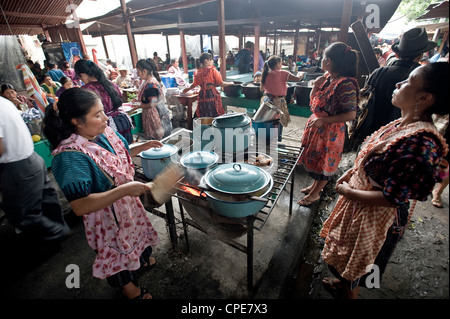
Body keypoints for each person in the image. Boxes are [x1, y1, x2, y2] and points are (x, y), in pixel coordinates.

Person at [320, 62, 449, 299]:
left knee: (360, 265)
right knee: (348, 261)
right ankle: (344, 286)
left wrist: (348, 192)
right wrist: (351, 176)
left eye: (408, 81)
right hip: (361, 208)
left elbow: (393, 198)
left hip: (375, 217)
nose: (398, 84)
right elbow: (372, 162)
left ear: (424, 97)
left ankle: (350, 294)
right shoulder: (402, 125)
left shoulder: (419, 144)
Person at [43, 87, 162, 299]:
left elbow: (119, 154)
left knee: (135, 235)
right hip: (106, 218)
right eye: (97, 115)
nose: (105, 118)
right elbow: (80, 206)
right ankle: (129, 289)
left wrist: (145, 146)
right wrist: (125, 189)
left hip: (126, 207)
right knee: (117, 251)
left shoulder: (102, 132)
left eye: (103, 112)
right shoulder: (69, 156)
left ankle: (140, 260)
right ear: (76, 121)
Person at [351, 28, 437, 147]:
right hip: (398, 135)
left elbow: (364, 102)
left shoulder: (378, 73)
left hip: (372, 133)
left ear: (396, 54)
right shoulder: (423, 79)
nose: (399, 85)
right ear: (420, 56)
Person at [297, 42, 359, 206]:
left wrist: (324, 120)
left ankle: (315, 194)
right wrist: (315, 86)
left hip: (330, 131)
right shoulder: (326, 78)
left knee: (325, 161)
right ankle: (314, 187)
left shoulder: (346, 84)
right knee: (316, 159)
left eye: (323, 57)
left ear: (330, 61)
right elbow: (313, 102)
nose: (321, 60)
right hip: (318, 126)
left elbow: (351, 113)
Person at [0, 96, 69, 242]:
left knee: (23, 214)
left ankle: (57, 234)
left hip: (18, 166)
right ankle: (58, 234)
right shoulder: (4, 102)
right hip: (31, 160)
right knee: (47, 203)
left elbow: (1, 147)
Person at [74, 59, 133, 144]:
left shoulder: (86, 90)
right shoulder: (110, 84)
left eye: (80, 77)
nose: (81, 80)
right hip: (122, 121)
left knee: (112, 153)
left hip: (106, 125)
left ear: (83, 75)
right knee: (125, 151)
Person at [260, 55, 304, 141]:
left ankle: (267, 141)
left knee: (267, 122)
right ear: (277, 65)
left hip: (266, 101)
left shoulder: (265, 74)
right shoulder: (282, 73)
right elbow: (298, 79)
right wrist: (301, 73)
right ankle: (276, 141)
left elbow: (261, 89)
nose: (282, 65)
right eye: (281, 63)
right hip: (278, 102)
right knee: (277, 122)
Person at [182, 52, 233, 118]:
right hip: (211, 94)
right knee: (214, 112)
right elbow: (221, 83)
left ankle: (205, 126)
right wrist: (231, 83)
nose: (212, 61)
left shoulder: (198, 72)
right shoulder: (212, 70)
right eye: (211, 59)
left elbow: (194, 84)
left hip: (202, 95)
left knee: (204, 113)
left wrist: (187, 89)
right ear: (206, 61)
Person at [132, 58, 172, 140]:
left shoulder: (151, 84)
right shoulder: (148, 81)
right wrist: (139, 101)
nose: (138, 74)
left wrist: (139, 106)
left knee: (158, 139)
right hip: (153, 113)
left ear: (145, 71)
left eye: (138, 72)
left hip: (155, 114)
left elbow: (153, 103)